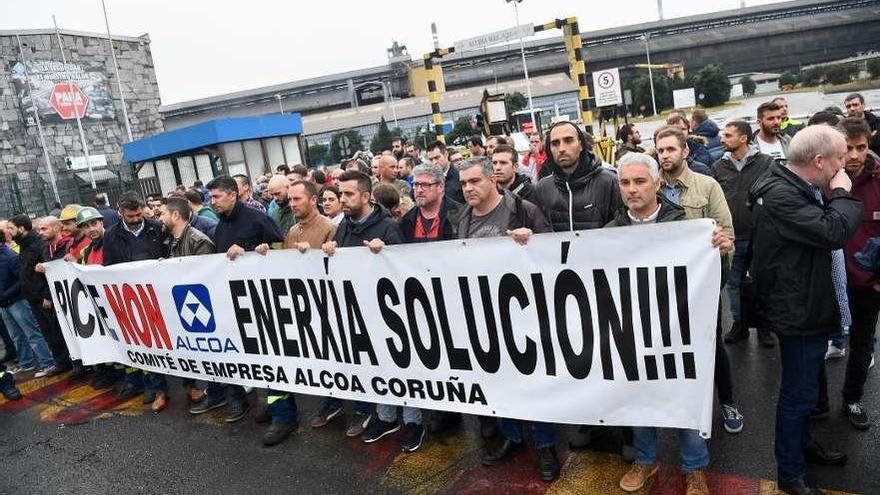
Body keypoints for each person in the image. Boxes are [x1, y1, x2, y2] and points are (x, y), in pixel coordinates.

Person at [609, 152, 730, 495]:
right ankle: (646, 461)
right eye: (625, 183)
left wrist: (721, 254)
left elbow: (717, 282)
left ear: (658, 182)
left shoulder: (687, 227)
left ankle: (695, 469)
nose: (632, 190)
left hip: (679, 333)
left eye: (640, 181)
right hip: (631, 333)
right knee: (638, 398)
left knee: (684, 400)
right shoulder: (609, 232)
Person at [749, 125, 858, 495]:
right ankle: (790, 472)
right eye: (840, 158)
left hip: (806, 301)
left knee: (808, 389)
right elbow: (834, 232)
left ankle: (804, 445)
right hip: (797, 310)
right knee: (797, 396)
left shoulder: (792, 184)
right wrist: (842, 192)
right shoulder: (782, 195)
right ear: (819, 161)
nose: (845, 164)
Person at [451, 156, 557, 481]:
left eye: (474, 181)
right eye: (464, 183)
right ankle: (513, 436)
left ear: (492, 180)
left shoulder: (524, 210)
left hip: (525, 313)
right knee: (502, 379)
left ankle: (546, 444)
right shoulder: (462, 219)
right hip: (485, 314)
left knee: (535, 379)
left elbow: (554, 254)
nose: (467, 188)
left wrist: (533, 241)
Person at [655, 125, 744, 435]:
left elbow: (728, 234)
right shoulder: (649, 188)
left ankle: (728, 402)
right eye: (660, 149)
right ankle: (682, 407)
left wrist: (721, 252)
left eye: (670, 149)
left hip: (701, 287)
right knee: (670, 348)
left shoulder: (707, 186)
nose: (664, 155)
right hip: (662, 289)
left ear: (685, 151)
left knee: (712, 346)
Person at [190, 176, 282, 423]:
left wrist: (251, 253)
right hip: (233, 304)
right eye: (210, 197)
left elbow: (282, 254)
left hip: (263, 303)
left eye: (217, 197)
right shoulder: (221, 227)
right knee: (239, 357)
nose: (213, 202)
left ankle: (279, 411)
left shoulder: (257, 219)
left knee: (270, 359)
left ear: (233, 194)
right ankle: (240, 400)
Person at [317, 170, 403, 438]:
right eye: (340, 193)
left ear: (366, 196)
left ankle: (394, 417)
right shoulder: (344, 226)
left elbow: (403, 270)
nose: (342, 199)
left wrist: (385, 252)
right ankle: (369, 410)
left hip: (384, 314)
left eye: (348, 194)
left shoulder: (388, 227)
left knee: (389, 366)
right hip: (354, 309)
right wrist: (331, 251)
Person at [253, 180, 338, 446]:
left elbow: (336, 271)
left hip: (321, 309)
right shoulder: (291, 230)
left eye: (297, 199)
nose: (292, 204)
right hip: (293, 308)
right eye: (290, 199)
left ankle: (331, 402)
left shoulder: (329, 228)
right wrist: (266, 253)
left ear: (313, 200)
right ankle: (281, 414)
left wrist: (317, 255)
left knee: (327, 362)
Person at [827, 117, 880, 430]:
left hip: (866, 284)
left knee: (862, 344)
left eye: (862, 147)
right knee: (816, 344)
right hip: (827, 283)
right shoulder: (823, 180)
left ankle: (852, 399)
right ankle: (817, 404)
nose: (855, 155)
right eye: (848, 148)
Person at [102, 191, 169, 403]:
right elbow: (108, 268)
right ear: (120, 212)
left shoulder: (157, 228)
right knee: (145, 345)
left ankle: (188, 385)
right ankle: (157, 388)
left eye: (139, 214)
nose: (136, 219)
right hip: (131, 299)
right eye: (130, 216)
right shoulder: (111, 236)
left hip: (160, 294)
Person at [714, 121, 775, 347]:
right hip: (732, 235)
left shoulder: (766, 163)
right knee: (734, 282)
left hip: (760, 233)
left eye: (729, 135)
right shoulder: (718, 167)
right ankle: (739, 323)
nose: (723, 139)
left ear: (743, 138)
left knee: (762, 281)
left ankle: (764, 327)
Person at [155, 197, 214, 413]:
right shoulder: (171, 241)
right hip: (184, 305)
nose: (159, 217)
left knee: (211, 355)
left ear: (175, 215)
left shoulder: (198, 240)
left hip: (199, 307)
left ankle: (219, 394)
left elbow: (205, 275)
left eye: (162, 213)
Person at [6, 215, 69, 377]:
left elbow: (50, 271)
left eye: (11, 228)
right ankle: (60, 362)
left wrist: (47, 295)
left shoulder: (38, 245)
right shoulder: (24, 246)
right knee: (48, 333)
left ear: (21, 228)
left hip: (43, 298)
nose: (8, 232)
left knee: (54, 332)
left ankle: (62, 362)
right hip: (33, 297)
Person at [534, 121, 622, 232]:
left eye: (568, 141)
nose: (561, 148)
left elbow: (624, 224)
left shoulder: (609, 181)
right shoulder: (543, 188)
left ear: (581, 145)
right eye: (555, 143)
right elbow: (537, 228)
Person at [0, 233, 56, 377]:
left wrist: (5, 294)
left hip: (17, 302)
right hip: (4, 304)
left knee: (32, 334)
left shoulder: (10, 257)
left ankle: (47, 362)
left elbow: (22, 279)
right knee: (16, 336)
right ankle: (26, 363)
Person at [267, 175, 296, 242]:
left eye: (277, 194)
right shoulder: (275, 213)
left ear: (288, 187)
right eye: (272, 195)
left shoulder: (300, 209)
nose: (275, 198)